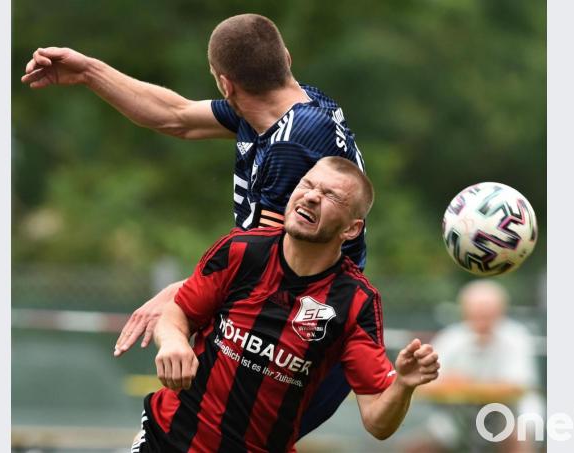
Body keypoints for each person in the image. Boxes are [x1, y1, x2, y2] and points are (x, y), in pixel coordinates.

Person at [21, 13, 367, 436]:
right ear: (286, 59)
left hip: (296, 337)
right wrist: (90, 71)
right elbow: (176, 116)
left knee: (186, 433)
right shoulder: (291, 106)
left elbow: (270, 263)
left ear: (225, 83)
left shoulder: (291, 148)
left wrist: (180, 296)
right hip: (271, 323)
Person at [134, 157, 439, 452]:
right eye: (307, 184)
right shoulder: (242, 251)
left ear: (351, 229)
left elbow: (377, 422)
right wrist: (173, 341)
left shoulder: (356, 302)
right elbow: (178, 313)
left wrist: (403, 385)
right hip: (167, 439)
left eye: (331, 195)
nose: (311, 197)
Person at [409, 280, 540, 453]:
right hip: (457, 420)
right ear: (464, 310)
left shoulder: (516, 337)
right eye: (477, 309)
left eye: (487, 310)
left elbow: (516, 387)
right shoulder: (451, 338)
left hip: (510, 417)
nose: (482, 315)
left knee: (516, 438)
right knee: (416, 447)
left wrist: (463, 384)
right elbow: (423, 384)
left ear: (501, 310)